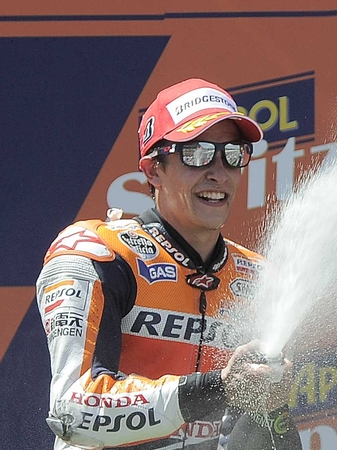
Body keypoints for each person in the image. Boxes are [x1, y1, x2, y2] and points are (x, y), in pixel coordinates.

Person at [36, 78, 303, 450]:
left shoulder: (258, 278)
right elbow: (72, 413)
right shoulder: (99, 255)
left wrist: (270, 409)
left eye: (233, 153)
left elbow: (261, 438)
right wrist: (220, 387)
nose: (218, 171)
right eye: (196, 153)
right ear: (152, 170)